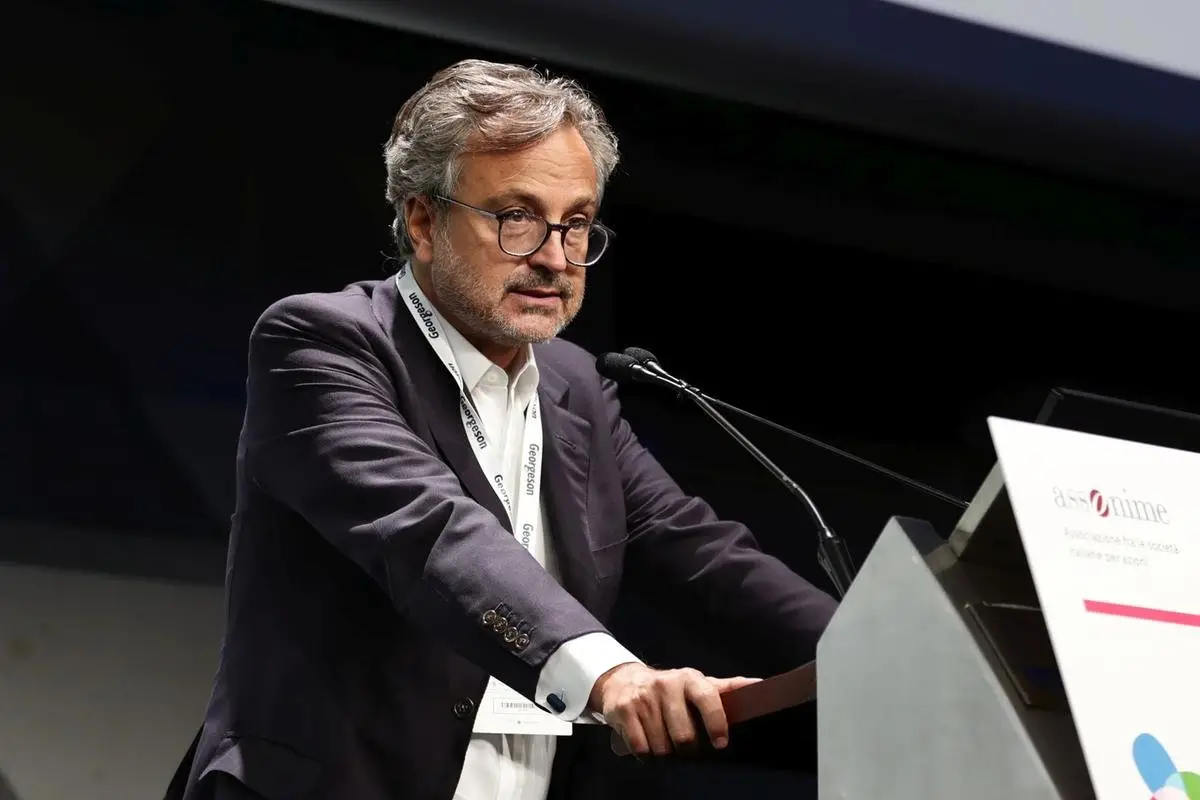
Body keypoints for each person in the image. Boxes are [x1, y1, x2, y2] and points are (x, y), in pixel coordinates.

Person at [177, 59, 838, 800]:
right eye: (516, 218)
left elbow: (700, 553)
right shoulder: (325, 344)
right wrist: (611, 675)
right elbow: (429, 533)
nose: (555, 258)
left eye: (576, 224)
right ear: (423, 222)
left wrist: (878, 649)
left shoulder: (574, 386)